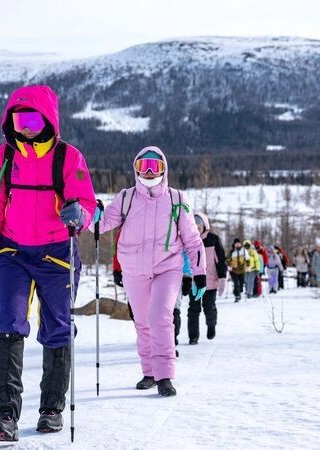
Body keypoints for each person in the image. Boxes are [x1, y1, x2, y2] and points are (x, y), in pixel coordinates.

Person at [0, 85, 96, 441]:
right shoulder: (6, 155)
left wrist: (80, 214)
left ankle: (51, 409)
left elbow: (86, 203)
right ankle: (5, 415)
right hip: (12, 252)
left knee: (57, 327)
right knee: (7, 324)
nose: (26, 128)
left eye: (32, 120)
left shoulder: (68, 157)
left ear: (48, 120)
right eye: (19, 121)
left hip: (56, 253)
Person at [96, 146, 206, 398]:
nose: (148, 171)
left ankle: (164, 375)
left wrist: (199, 273)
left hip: (168, 268)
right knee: (143, 323)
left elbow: (192, 240)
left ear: (164, 169)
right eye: (143, 165)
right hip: (134, 270)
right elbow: (101, 224)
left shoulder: (177, 199)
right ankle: (149, 373)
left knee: (160, 316)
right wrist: (89, 213)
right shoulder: (126, 198)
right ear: (135, 169)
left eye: (154, 166)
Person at [183, 213, 227, 342]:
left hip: (210, 281)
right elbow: (183, 260)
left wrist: (222, 278)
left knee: (209, 307)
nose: (197, 230)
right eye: (194, 227)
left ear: (204, 227)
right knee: (193, 309)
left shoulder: (213, 239)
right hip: (194, 281)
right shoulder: (187, 240)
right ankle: (193, 336)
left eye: (199, 227)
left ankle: (211, 325)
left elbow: (221, 260)